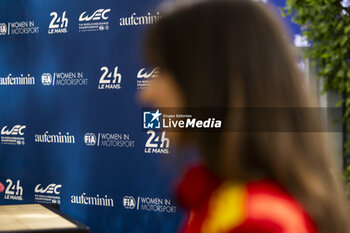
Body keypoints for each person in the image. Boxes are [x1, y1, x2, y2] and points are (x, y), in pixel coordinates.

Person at [139, 0, 350, 232]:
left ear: (213, 81)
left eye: (162, 69)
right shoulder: (227, 201)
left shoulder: (259, 222)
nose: (146, 94)